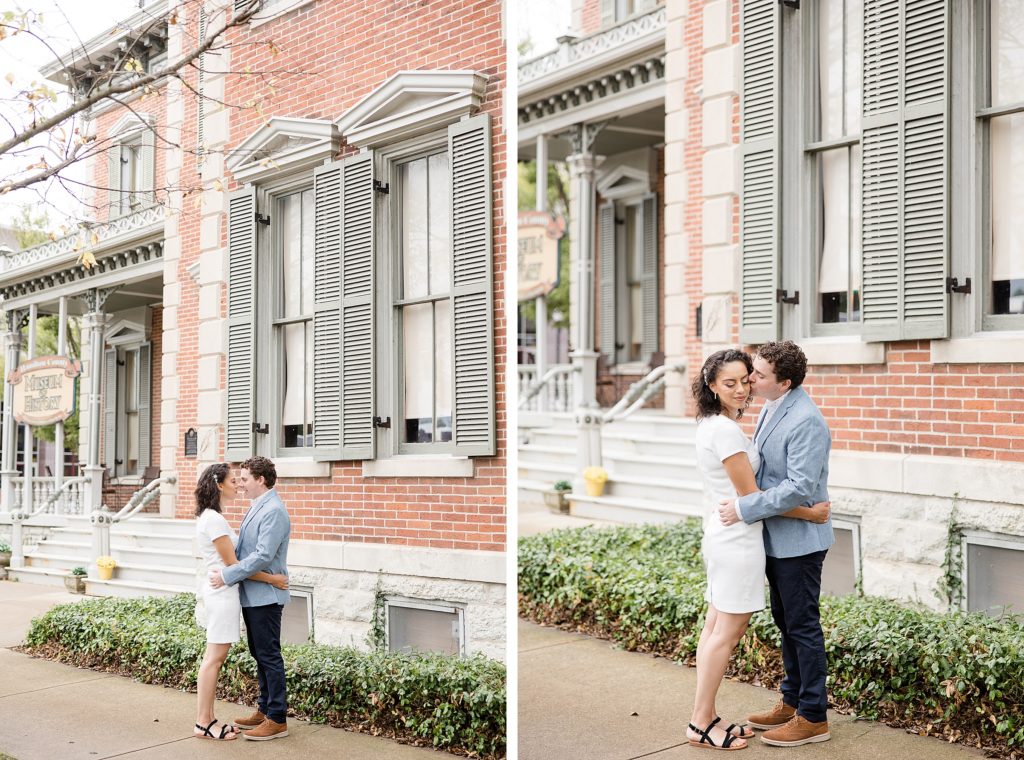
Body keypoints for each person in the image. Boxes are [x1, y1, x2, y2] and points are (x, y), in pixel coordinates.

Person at [687, 348, 830, 752]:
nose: (749, 383)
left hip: (789, 541)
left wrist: (806, 513)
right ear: (712, 385)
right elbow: (750, 487)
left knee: (800, 626)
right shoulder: (744, 418)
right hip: (748, 536)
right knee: (768, 626)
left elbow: (796, 485)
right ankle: (783, 703)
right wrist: (808, 512)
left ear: (784, 383)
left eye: (755, 376)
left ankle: (813, 715)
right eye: (735, 380)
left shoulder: (804, 419)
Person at [193, 462, 288, 742]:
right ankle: (259, 709)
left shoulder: (272, 510)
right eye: (236, 480)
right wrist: (233, 575)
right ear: (219, 485)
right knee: (255, 654)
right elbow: (237, 558)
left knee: (267, 655)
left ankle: (276, 717)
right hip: (239, 592)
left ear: (260, 479)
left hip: (258, 595)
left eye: (244, 479)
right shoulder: (227, 515)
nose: (240, 484)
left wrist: (229, 575)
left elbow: (261, 556)